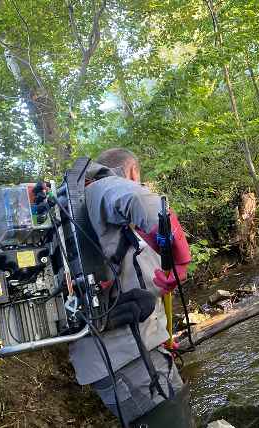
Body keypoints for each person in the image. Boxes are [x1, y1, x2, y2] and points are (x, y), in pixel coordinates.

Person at [68, 148, 194, 427]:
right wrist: (181, 259)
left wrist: (160, 335)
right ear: (133, 172)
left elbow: (139, 280)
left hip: (112, 361)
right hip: (131, 360)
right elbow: (146, 203)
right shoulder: (101, 189)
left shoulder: (76, 215)